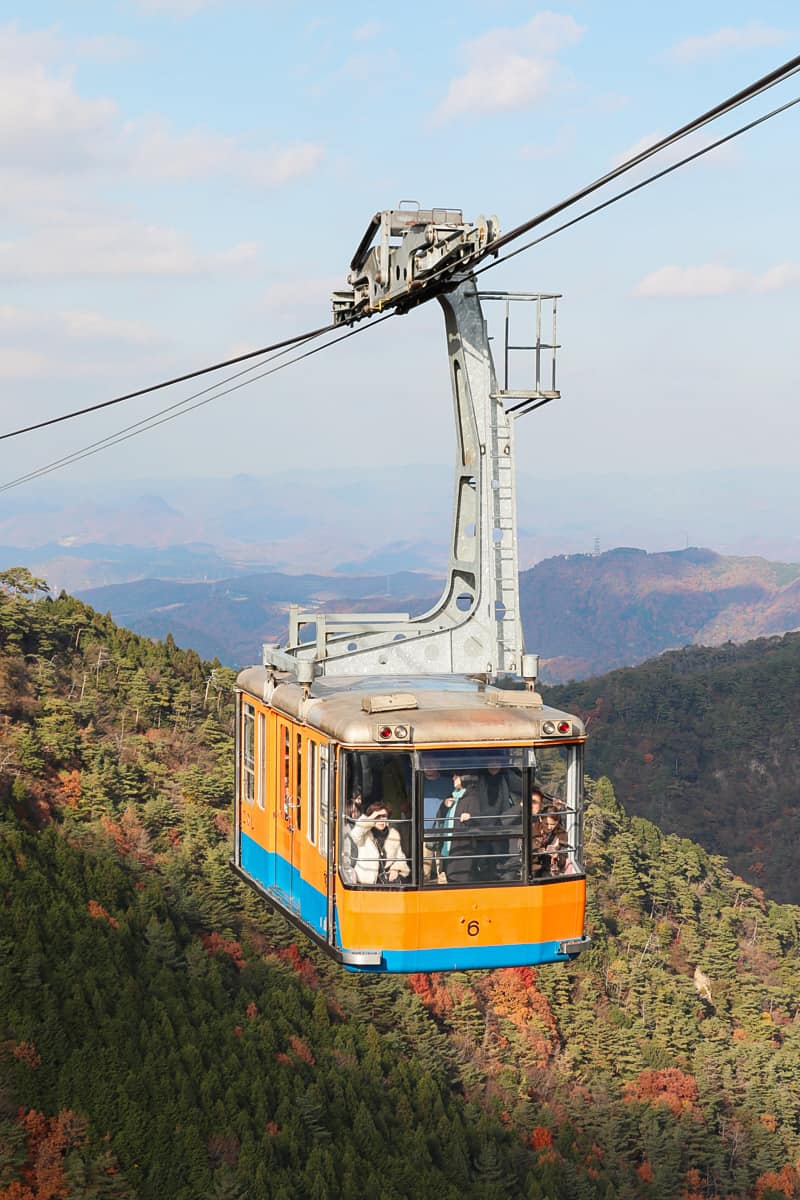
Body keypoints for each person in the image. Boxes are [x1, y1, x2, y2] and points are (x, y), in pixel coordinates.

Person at [434, 773, 481, 884]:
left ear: (465, 779)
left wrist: (470, 817)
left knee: (459, 881)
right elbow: (440, 817)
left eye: (456, 777)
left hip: (462, 849)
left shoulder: (472, 798)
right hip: (448, 849)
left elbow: (478, 821)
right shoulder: (452, 795)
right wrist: (444, 805)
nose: (453, 778)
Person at [348, 802, 410, 886]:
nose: (381, 820)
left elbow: (401, 857)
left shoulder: (393, 833)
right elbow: (355, 834)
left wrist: (395, 869)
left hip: (387, 882)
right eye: (378, 817)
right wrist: (373, 816)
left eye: (384, 816)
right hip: (366, 883)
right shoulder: (365, 833)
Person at [340, 787, 363, 884]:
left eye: (357, 811)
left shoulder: (356, 826)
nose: (355, 814)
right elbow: (347, 855)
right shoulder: (346, 829)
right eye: (352, 812)